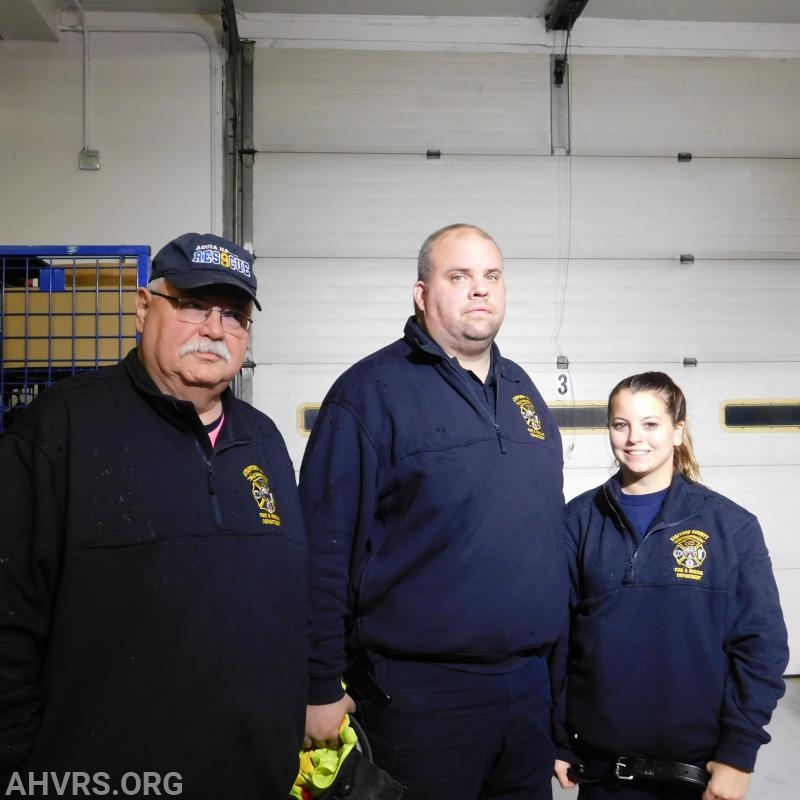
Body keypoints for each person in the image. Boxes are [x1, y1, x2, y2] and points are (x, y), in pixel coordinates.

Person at [0, 233, 308, 798]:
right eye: (193, 305)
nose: (215, 329)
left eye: (234, 315)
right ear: (144, 308)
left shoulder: (262, 440)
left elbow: (289, 602)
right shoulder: (59, 431)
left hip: (254, 778)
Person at [299, 223, 568, 800]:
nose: (480, 290)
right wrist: (319, 682)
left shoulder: (522, 391)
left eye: (491, 276)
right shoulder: (368, 395)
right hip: (420, 697)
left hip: (526, 691)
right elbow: (322, 551)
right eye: (460, 276)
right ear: (422, 294)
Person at [553, 371, 789, 800]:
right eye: (620, 424)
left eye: (650, 424)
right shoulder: (579, 521)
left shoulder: (731, 526)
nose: (633, 438)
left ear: (677, 430)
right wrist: (554, 735)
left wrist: (738, 752)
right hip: (603, 773)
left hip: (693, 774)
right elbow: (556, 638)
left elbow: (761, 644)